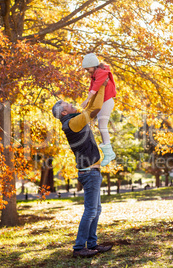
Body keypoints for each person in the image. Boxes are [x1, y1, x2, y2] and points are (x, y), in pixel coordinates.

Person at [52, 81, 112, 258]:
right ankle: (79, 248)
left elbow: (91, 107)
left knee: (96, 210)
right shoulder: (72, 123)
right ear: (64, 112)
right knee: (91, 210)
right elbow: (93, 110)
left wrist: (96, 89)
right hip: (89, 173)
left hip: (92, 171)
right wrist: (101, 86)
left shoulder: (73, 120)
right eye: (67, 105)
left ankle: (92, 244)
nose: (71, 104)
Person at [81, 53, 117, 166]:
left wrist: (87, 100)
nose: (88, 71)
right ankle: (108, 153)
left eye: (88, 69)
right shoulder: (95, 74)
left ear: (94, 65)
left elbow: (95, 88)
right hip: (104, 102)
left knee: (102, 126)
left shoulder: (101, 73)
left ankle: (109, 154)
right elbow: (91, 87)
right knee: (101, 127)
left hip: (107, 101)